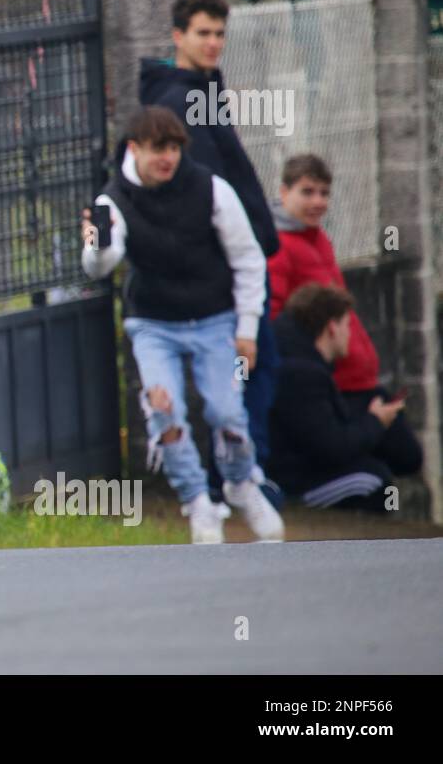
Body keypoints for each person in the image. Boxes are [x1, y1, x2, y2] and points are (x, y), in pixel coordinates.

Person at [82, 106, 283, 544]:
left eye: (173, 148)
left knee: (226, 412)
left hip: (215, 320)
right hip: (153, 326)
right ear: (134, 148)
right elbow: (101, 264)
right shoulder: (111, 200)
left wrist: (246, 329)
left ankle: (242, 484)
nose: (167, 157)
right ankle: (198, 504)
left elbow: (249, 259)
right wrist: (97, 246)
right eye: (158, 148)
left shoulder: (212, 189)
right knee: (163, 409)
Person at [137, 0, 283, 491]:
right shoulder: (178, 99)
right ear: (178, 36)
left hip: (235, 263)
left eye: (220, 33)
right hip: (216, 273)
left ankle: (242, 475)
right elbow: (199, 191)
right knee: (245, 379)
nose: (214, 43)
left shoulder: (201, 89)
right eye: (203, 33)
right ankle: (242, 479)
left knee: (251, 376)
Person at [267, 156, 423, 497]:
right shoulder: (278, 245)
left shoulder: (318, 238)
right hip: (334, 386)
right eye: (307, 192)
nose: (318, 202)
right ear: (283, 192)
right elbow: (273, 314)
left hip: (358, 380)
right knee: (376, 463)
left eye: (324, 193)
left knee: (408, 455)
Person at [269, 284, 423, 510]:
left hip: (299, 469)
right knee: (373, 480)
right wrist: (375, 422)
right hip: (294, 483)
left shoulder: (300, 360)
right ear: (332, 328)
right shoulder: (302, 374)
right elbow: (331, 447)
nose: (350, 334)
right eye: (347, 325)